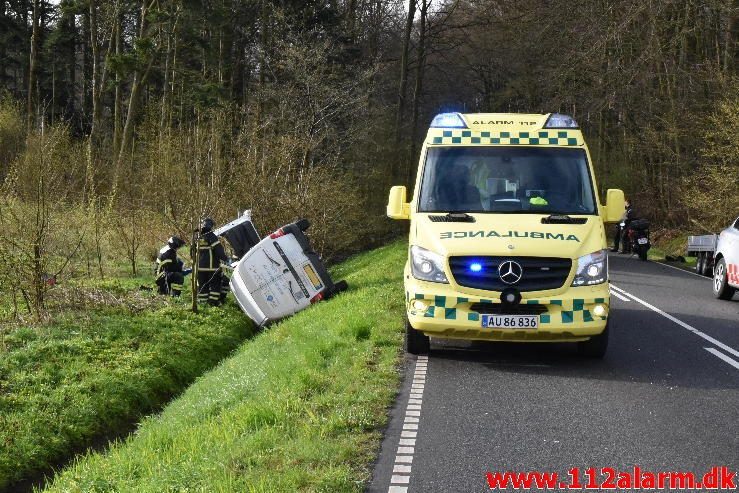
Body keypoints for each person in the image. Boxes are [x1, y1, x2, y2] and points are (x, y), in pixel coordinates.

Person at [197, 217, 229, 306]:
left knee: (203, 286)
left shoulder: (197, 237)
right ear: (211, 226)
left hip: (199, 268)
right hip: (212, 268)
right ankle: (213, 303)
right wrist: (226, 259)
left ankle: (202, 303)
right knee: (215, 285)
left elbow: (192, 252)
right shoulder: (211, 236)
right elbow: (218, 250)